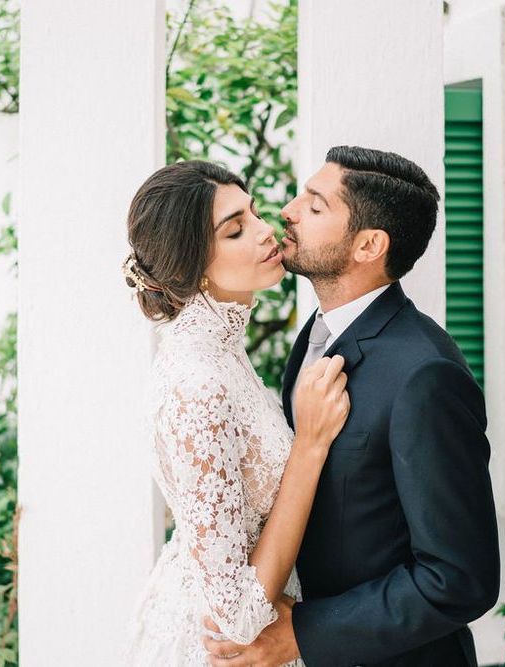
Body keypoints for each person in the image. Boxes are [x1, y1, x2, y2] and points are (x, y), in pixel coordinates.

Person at [202, 146, 501, 667]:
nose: (288, 212)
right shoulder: (317, 334)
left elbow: (460, 579)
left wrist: (305, 634)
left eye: (315, 207)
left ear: (368, 244)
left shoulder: (426, 375)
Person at [122, 160, 351, 665]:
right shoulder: (197, 383)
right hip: (220, 650)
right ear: (192, 266)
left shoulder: (220, 348)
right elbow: (239, 617)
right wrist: (310, 446)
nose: (266, 230)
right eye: (235, 230)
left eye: (253, 212)